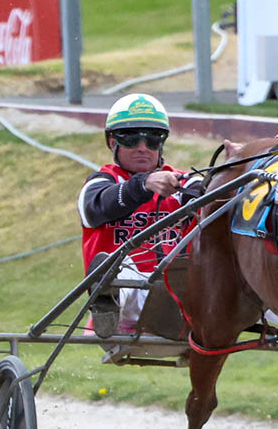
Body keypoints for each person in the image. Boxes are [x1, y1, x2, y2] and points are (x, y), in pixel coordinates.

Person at [77, 93, 203, 337]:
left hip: (177, 288)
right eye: (131, 138)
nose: (143, 148)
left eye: (153, 139)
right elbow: (96, 208)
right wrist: (143, 185)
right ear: (113, 143)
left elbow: (209, 197)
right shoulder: (100, 183)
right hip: (126, 290)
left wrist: (237, 167)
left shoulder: (185, 181)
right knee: (121, 267)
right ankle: (107, 305)